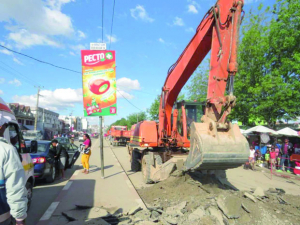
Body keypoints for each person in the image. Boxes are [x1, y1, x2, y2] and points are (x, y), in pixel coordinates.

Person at [0, 118, 27, 225]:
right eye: (6, 126)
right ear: (1, 127)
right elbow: (15, 187)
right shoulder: (7, 150)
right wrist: (19, 218)